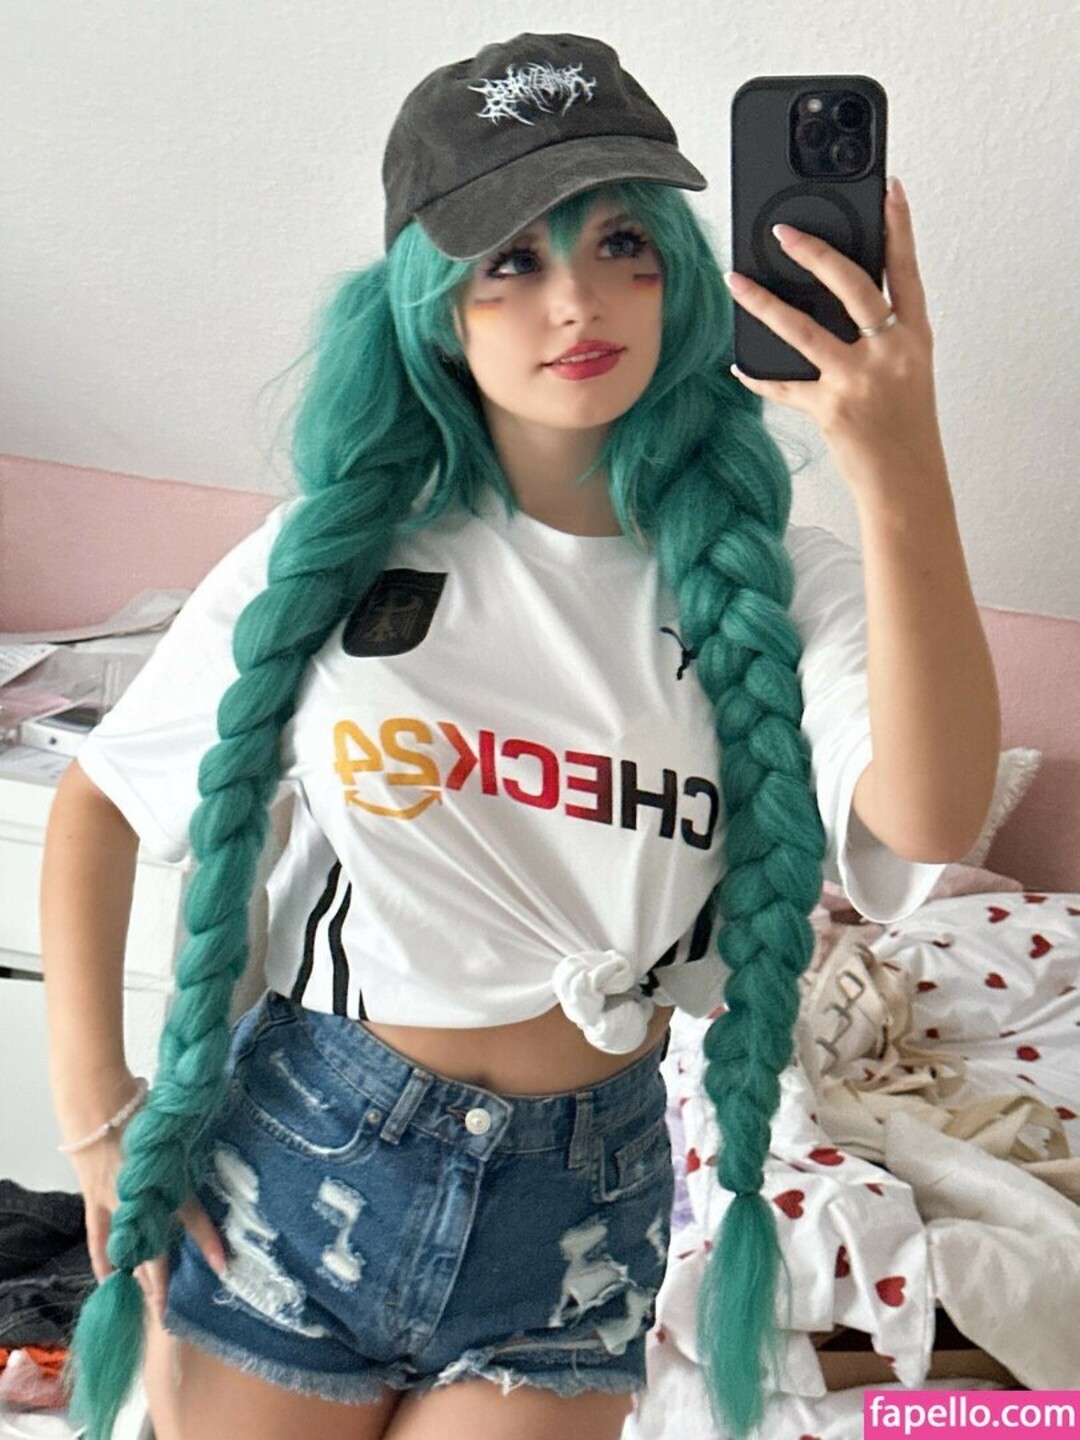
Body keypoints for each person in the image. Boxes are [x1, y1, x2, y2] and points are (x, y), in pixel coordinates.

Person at [40, 31, 1000, 1440]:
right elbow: (100, 804)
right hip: (308, 1152)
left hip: (583, 1200)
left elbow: (931, 818)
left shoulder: (775, 583)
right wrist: (99, 1116)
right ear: (432, 305)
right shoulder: (333, 556)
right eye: (512, 259)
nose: (578, 301)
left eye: (623, 244)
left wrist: (898, 462)